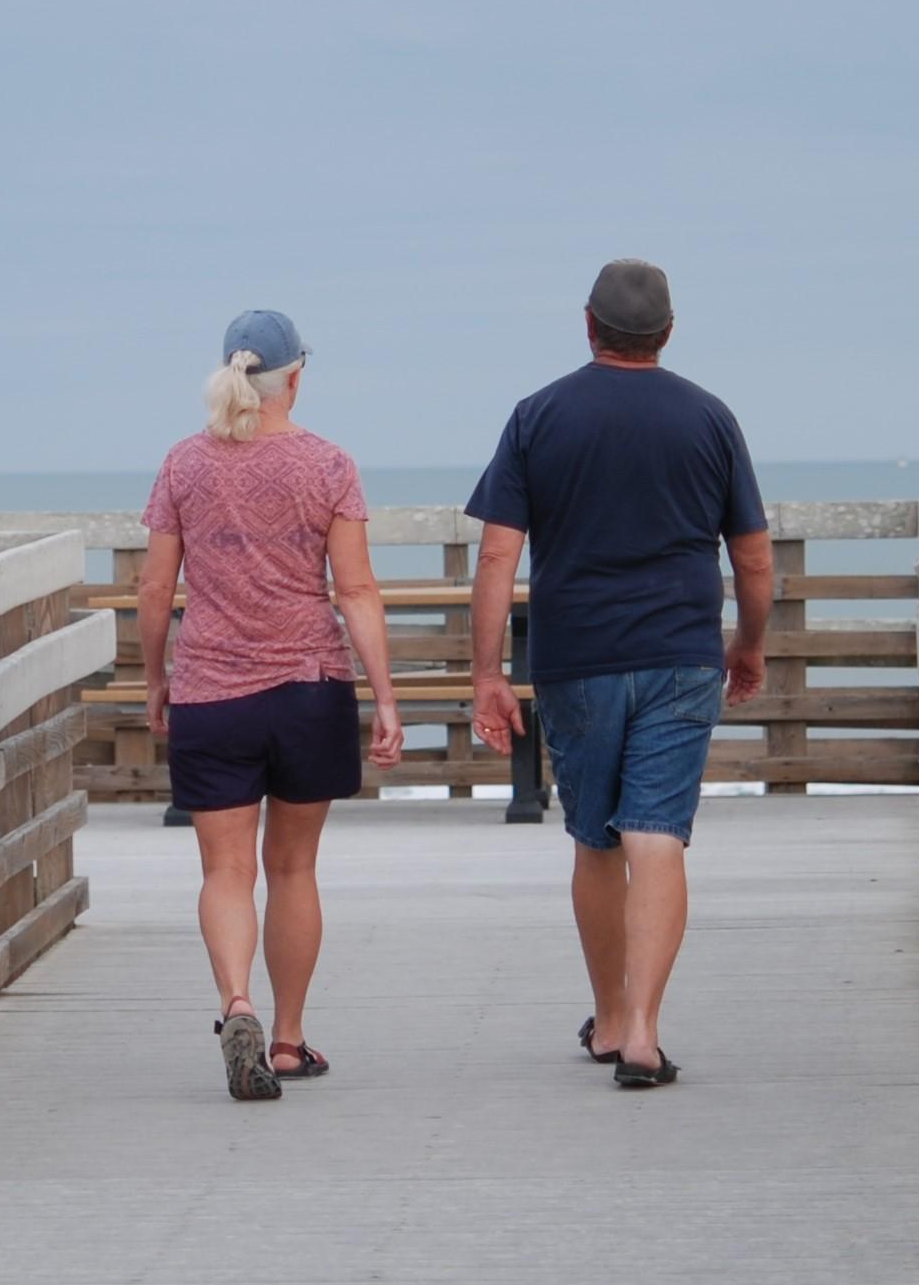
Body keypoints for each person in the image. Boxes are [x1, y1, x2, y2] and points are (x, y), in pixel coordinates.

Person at [463, 259, 771, 1090]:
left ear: (588, 324)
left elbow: (498, 552)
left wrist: (488, 672)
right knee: (658, 833)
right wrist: (748, 643)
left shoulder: (538, 416)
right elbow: (753, 556)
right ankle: (644, 1030)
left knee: (597, 838)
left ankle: (606, 1018)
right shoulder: (711, 418)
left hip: (579, 658)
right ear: (667, 333)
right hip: (681, 654)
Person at [141, 308, 404, 1102]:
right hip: (306, 690)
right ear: (296, 375)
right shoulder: (329, 465)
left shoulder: (183, 464)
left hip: (212, 695)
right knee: (292, 868)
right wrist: (386, 697)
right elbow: (355, 590)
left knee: (225, 871)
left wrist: (157, 679)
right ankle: (286, 1040)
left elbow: (156, 589)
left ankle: (236, 1005)